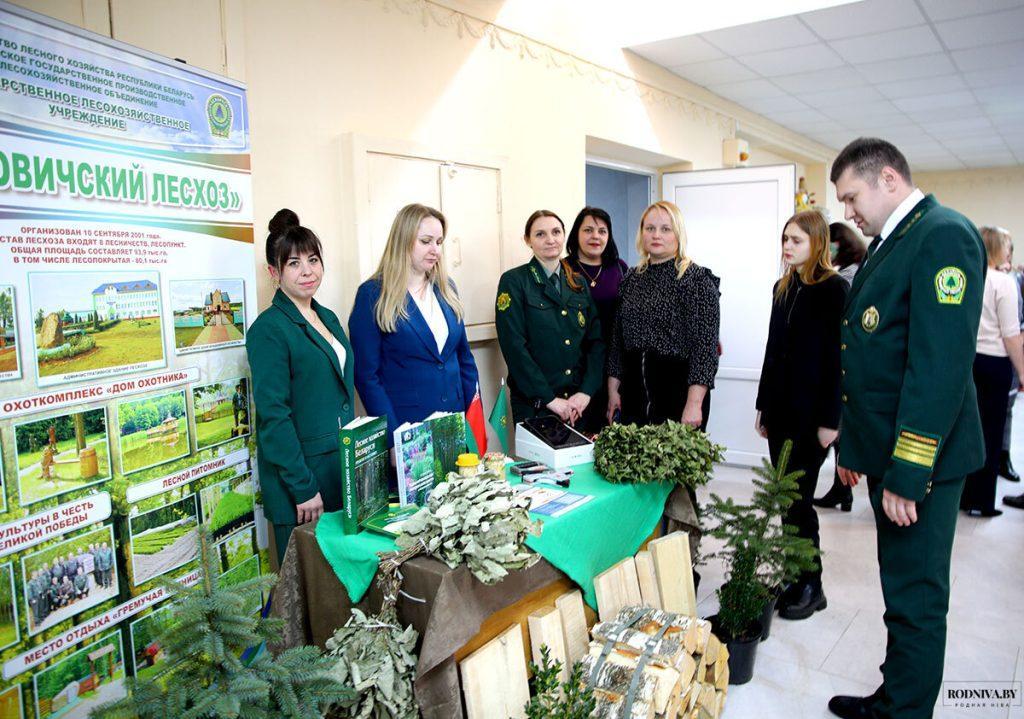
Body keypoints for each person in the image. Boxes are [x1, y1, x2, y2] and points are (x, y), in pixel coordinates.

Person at [828, 138, 985, 719]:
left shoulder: (941, 233)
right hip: (887, 451)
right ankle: (896, 695)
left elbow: (937, 368)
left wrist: (908, 472)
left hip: (922, 460)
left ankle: (906, 711)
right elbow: (871, 357)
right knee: (900, 590)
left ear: (888, 178)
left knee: (916, 597)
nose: (848, 212)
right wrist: (855, 444)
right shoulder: (896, 239)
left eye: (851, 197)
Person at [247, 209, 356, 566]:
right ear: (273, 272)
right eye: (294, 263)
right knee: (309, 596)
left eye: (313, 259)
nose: (307, 270)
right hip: (302, 486)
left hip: (338, 473)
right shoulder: (269, 329)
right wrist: (303, 486)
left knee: (344, 590)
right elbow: (274, 417)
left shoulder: (326, 317)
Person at [755, 210, 846, 620]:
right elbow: (773, 352)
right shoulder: (783, 286)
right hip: (781, 410)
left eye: (796, 239)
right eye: (784, 239)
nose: (787, 246)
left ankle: (812, 584)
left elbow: (839, 360)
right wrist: (763, 405)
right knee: (786, 499)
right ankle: (796, 575)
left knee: (799, 500)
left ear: (817, 243)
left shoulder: (833, 290)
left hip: (813, 416)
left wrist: (833, 419)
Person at [349, 204, 479, 441]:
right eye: (426, 241)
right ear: (403, 240)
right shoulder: (373, 294)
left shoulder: (447, 288)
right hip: (408, 429)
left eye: (439, 242)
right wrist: (393, 437)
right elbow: (367, 376)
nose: (435, 250)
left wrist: (476, 421)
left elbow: (465, 360)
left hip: (456, 423)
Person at [606, 201, 720, 430]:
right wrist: (612, 392)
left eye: (665, 229)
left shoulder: (696, 280)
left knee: (673, 465)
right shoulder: (630, 279)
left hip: (678, 390)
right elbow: (617, 341)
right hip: (634, 391)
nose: (656, 235)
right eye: (650, 228)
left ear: (678, 234)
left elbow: (705, 348)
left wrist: (694, 403)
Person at [495, 210, 604, 424]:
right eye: (540, 234)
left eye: (556, 232)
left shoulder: (578, 283)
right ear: (528, 240)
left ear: (564, 235)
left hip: (577, 405)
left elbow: (596, 342)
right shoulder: (514, 281)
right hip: (536, 406)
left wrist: (586, 392)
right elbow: (514, 347)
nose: (550, 240)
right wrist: (549, 399)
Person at [959, 227, 1024, 517]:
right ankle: (983, 500)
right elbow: (1011, 334)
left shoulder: (970, 275)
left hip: (969, 361)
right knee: (991, 433)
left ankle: (963, 495)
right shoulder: (1004, 282)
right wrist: (1022, 371)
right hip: (995, 363)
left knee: (967, 431)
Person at [564, 207, 629, 433]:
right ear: (576, 234)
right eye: (588, 230)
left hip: (614, 366)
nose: (595, 236)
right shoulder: (564, 269)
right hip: (577, 369)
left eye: (602, 231)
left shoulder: (619, 268)